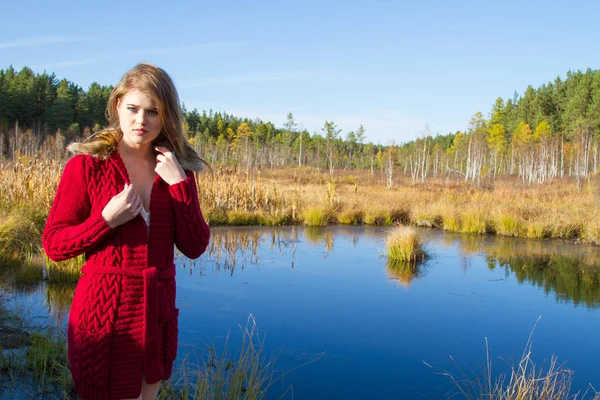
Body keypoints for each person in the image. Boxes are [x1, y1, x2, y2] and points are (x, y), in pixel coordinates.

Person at [42, 63, 210, 400]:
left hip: (158, 314)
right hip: (105, 316)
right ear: (118, 104)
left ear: (166, 117)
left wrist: (180, 188)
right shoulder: (87, 166)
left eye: (153, 112)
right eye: (133, 108)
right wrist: (104, 221)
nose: (141, 121)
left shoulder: (176, 169)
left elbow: (194, 246)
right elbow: (54, 245)